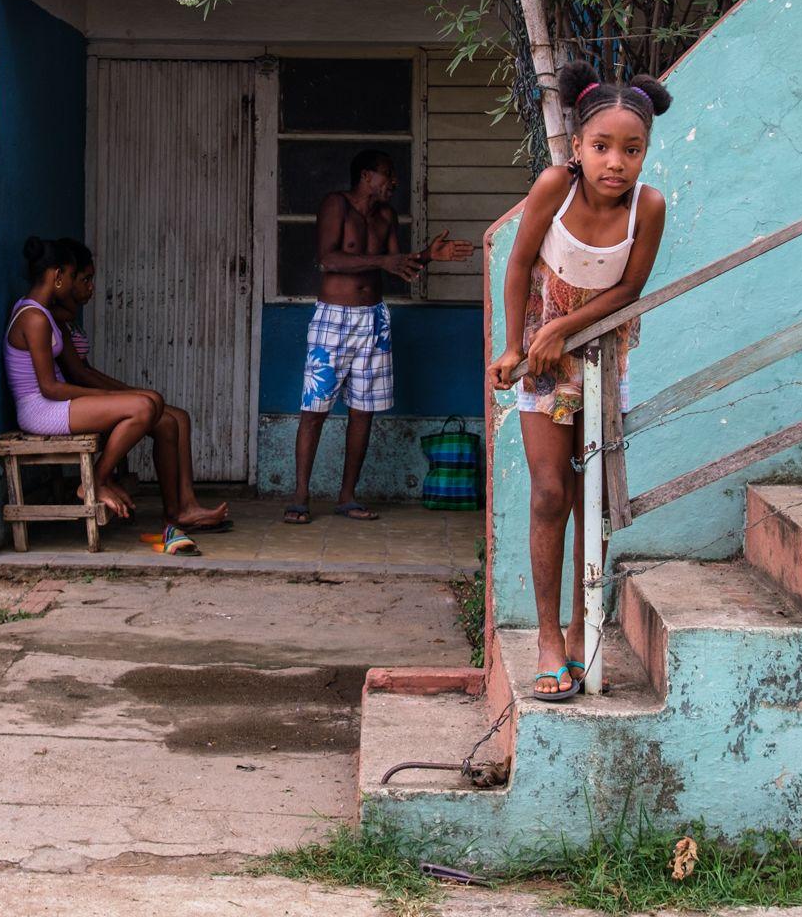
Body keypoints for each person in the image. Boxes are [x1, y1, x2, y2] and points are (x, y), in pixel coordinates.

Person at [488, 70, 671, 703]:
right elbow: (516, 266)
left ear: (644, 153)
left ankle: (578, 629)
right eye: (601, 146)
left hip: (599, 358)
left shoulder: (648, 206)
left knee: (592, 493)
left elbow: (628, 290)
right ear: (577, 146)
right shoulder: (553, 191)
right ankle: (545, 638)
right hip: (541, 360)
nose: (615, 161)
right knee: (549, 491)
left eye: (631, 148)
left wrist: (565, 327)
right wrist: (516, 343)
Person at [284, 149, 475, 524]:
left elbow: (396, 263)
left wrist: (429, 255)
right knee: (314, 410)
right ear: (366, 176)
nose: (393, 182)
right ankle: (300, 496)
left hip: (374, 321)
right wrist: (384, 262)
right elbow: (329, 259)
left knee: (363, 411)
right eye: (387, 175)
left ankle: (347, 496)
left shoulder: (387, 216)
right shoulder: (336, 205)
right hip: (333, 320)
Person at [47, 239, 230, 531]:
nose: (90, 287)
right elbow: (78, 375)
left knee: (179, 417)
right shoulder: (53, 320)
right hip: (76, 405)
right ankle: (173, 511)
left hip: (90, 400)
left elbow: (87, 369)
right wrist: (127, 393)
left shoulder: (69, 320)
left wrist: (127, 391)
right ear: (62, 279)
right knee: (167, 421)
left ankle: (187, 504)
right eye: (84, 279)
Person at [5, 236, 175, 523]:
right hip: (39, 409)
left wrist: (108, 396)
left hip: (53, 403)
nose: (73, 284)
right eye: (72, 276)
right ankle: (94, 482)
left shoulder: (42, 311)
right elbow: (49, 387)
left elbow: (68, 312)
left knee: (151, 401)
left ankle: (99, 480)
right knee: (143, 407)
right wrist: (107, 397)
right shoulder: (33, 318)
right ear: (57, 275)